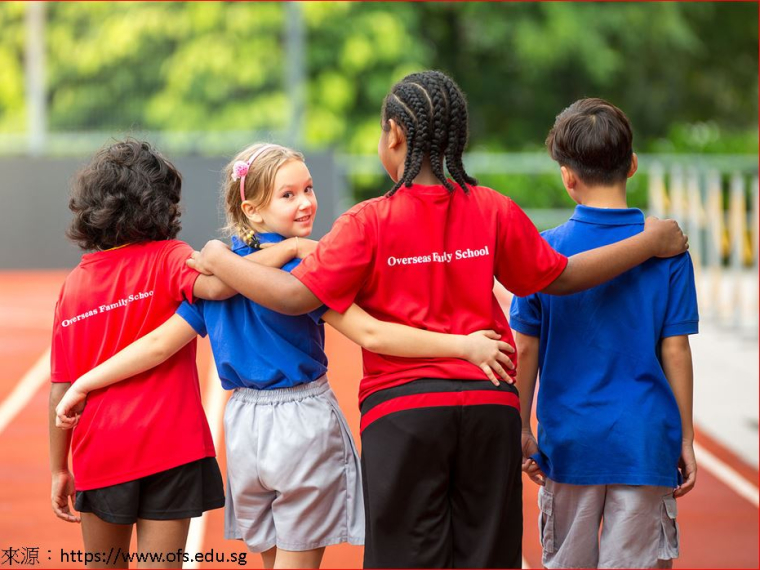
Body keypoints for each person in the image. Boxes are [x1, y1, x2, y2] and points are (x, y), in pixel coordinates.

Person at [183, 71, 688, 569]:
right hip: (489, 409)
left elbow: (295, 296)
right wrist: (649, 241)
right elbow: (561, 277)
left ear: (395, 136)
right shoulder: (492, 208)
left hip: (403, 417)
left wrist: (220, 258)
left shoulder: (367, 221)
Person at [56, 142, 515, 569]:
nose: (306, 202)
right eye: (289, 194)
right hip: (301, 420)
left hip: (244, 428)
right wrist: (463, 344)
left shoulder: (212, 272)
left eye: (309, 189)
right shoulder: (303, 271)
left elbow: (160, 343)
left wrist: (84, 382)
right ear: (251, 208)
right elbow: (371, 333)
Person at [49, 139, 309, 569]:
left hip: (101, 451)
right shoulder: (171, 259)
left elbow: (61, 386)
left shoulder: (73, 286)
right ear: (161, 202)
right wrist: (292, 249)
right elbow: (225, 283)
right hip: (172, 449)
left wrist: (59, 467)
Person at [511, 98, 698, 569]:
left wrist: (519, 427)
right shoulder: (668, 248)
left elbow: (524, 348)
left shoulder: (545, 250)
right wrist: (686, 438)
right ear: (632, 165)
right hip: (644, 439)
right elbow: (675, 348)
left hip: (569, 441)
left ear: (567, 177)